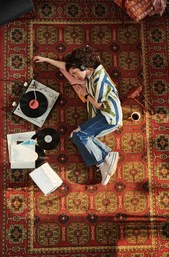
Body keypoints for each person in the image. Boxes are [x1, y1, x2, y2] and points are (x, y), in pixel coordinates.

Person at [33, 45, 123, 185]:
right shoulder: (90, 73)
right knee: (75, 136)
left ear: (83, 67)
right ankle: (107, 155)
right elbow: (66, 66)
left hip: (109, 117)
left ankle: (102, 160)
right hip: (105, 116)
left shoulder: (98, 80)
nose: (74, 77)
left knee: (80, 135)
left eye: (75, 73)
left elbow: (100, 105)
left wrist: (85, 94)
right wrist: (46, 59)